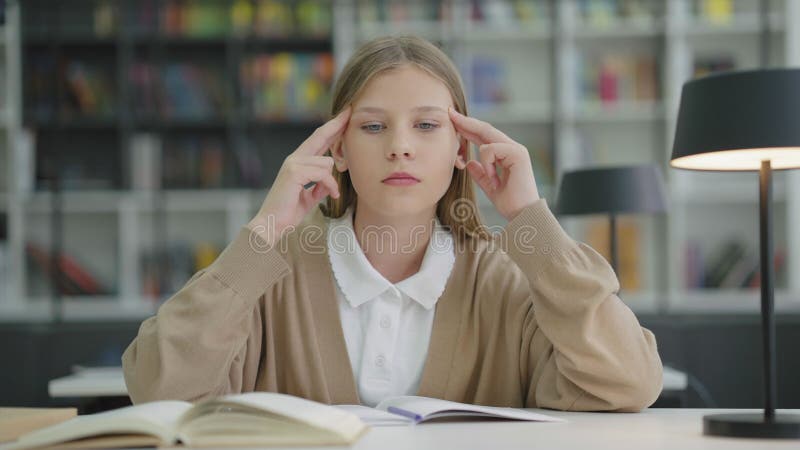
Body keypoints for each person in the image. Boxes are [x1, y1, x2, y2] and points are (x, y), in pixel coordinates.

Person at [123, 35, 663, 412]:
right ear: (338, 147)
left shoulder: (510, 279)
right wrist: (265, 231)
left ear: (460, 147)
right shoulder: (270, 273)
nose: (400, 147)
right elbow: (158, 388)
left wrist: (529, 221)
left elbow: (629, 382)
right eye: (374, 126)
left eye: (427, 125)